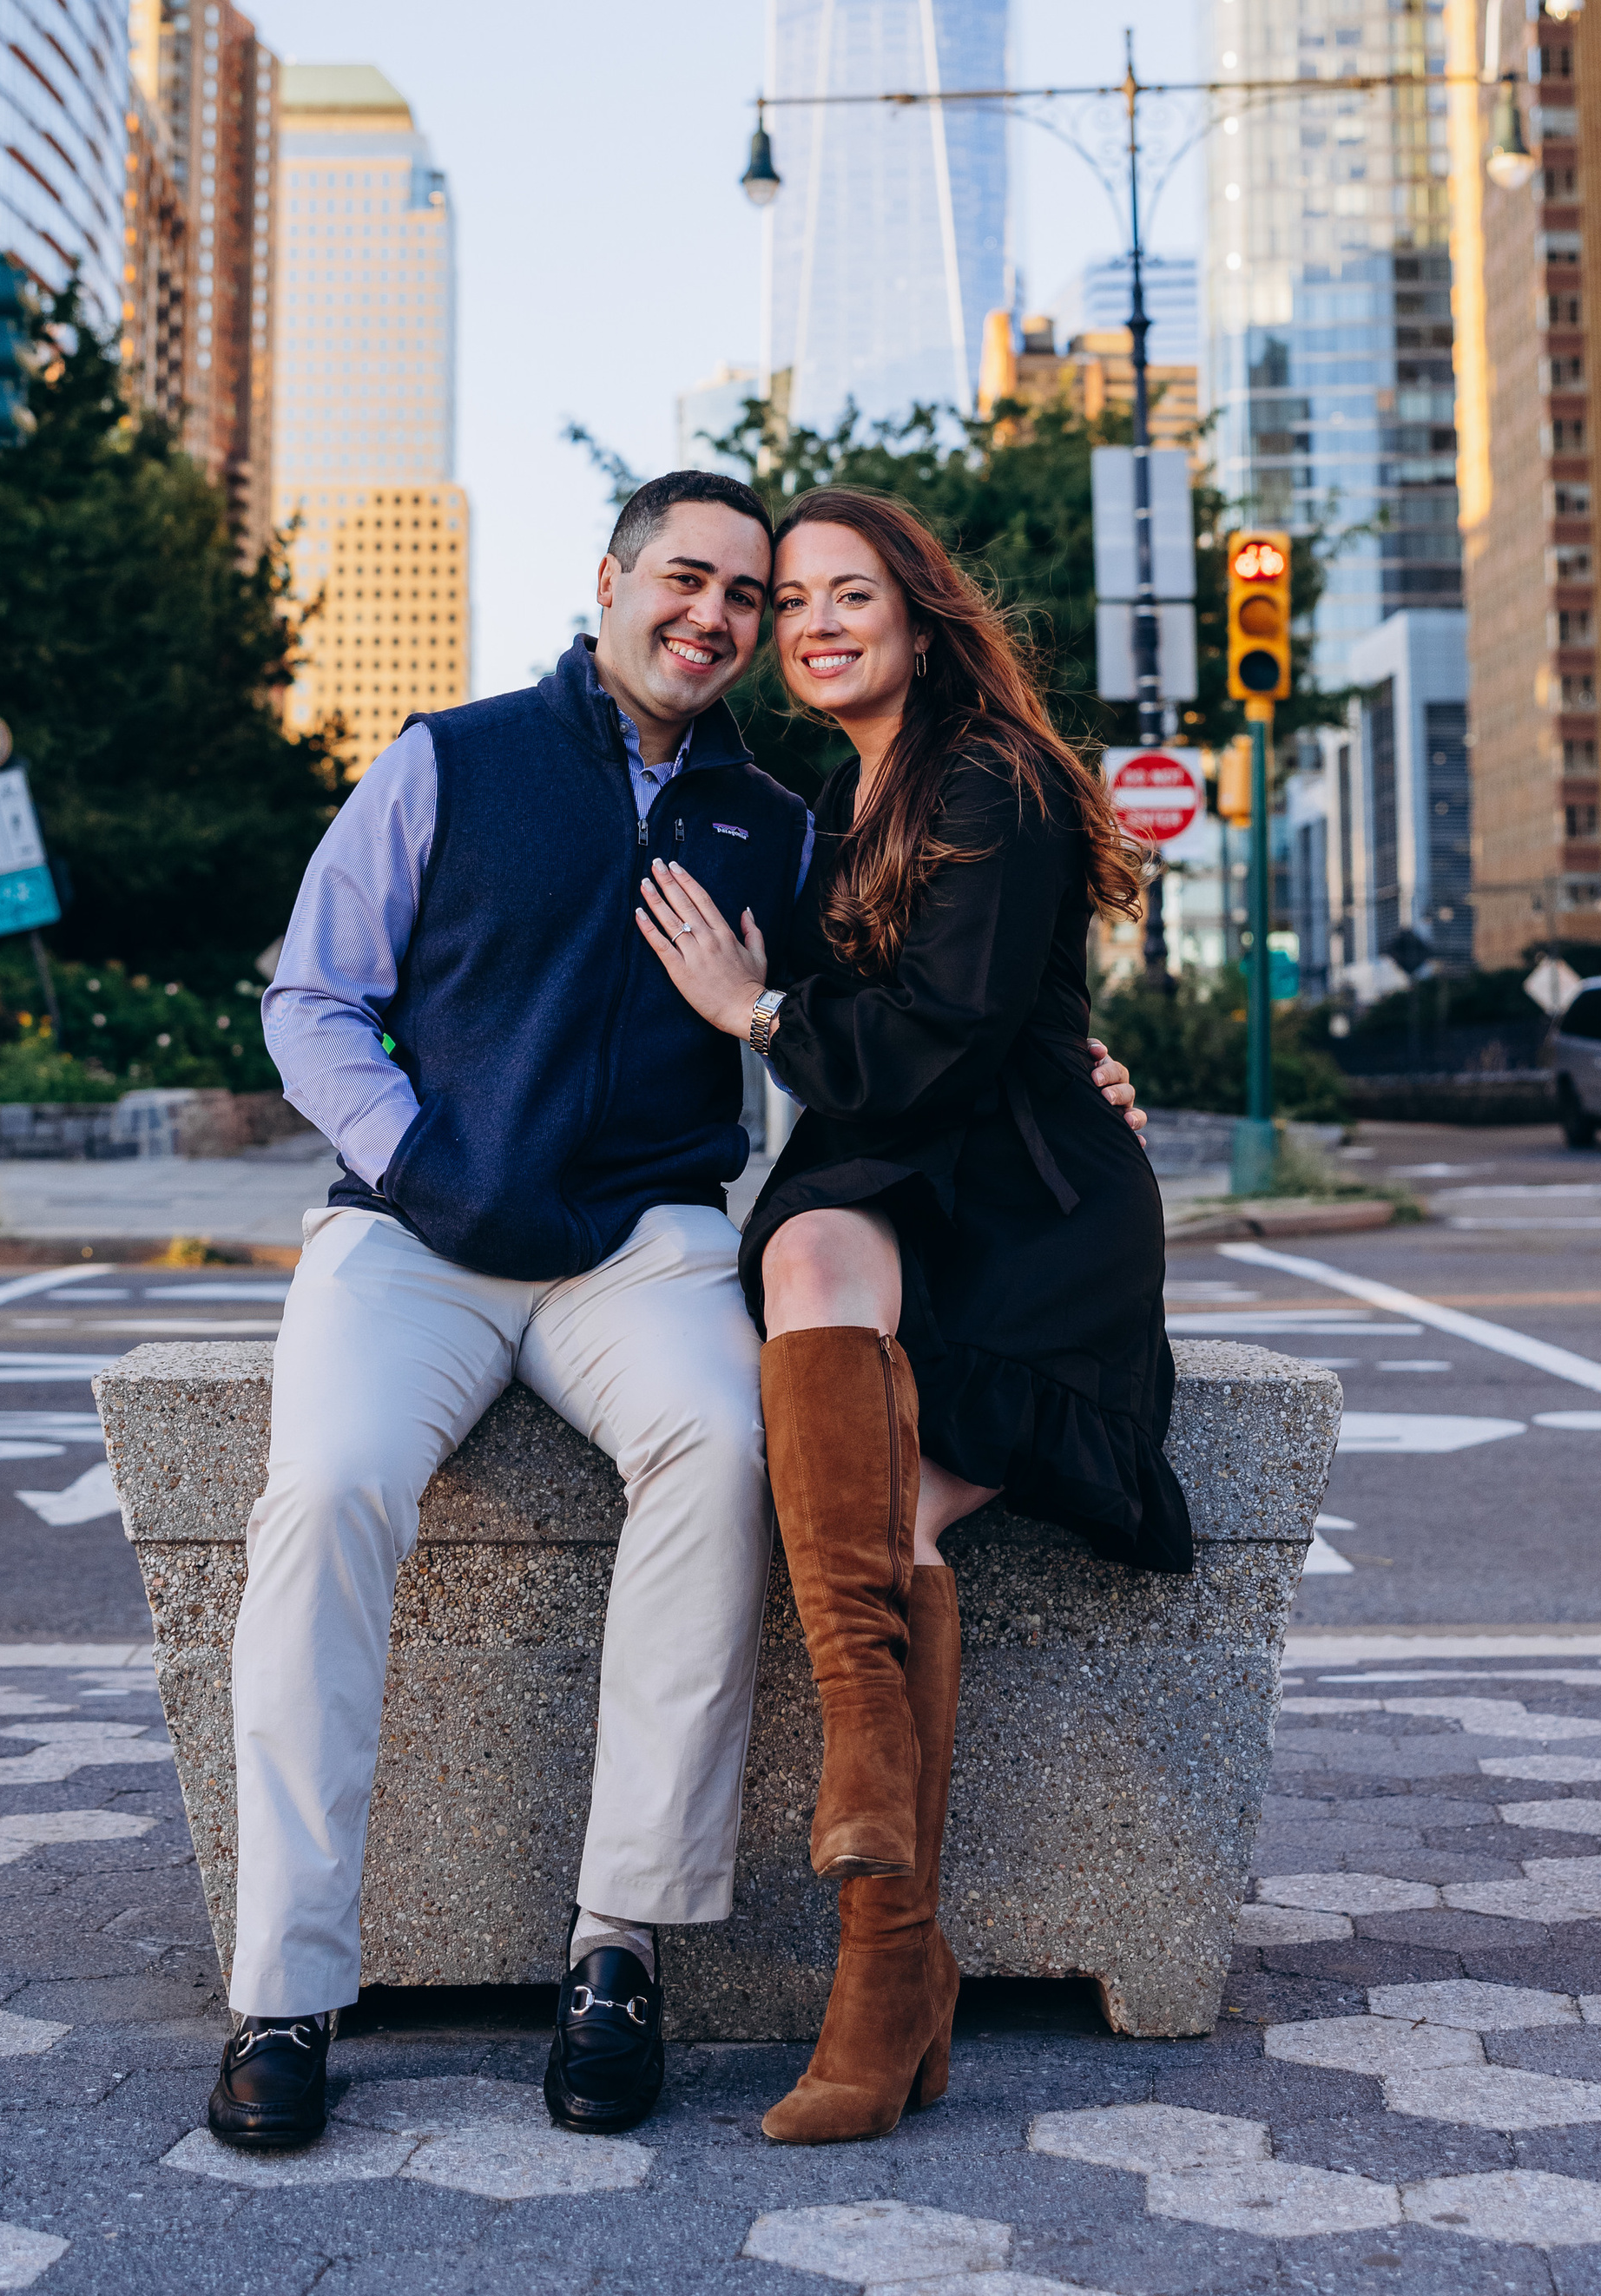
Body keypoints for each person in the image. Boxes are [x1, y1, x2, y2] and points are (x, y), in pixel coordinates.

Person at [208, 470, 1147, 2154]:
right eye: (700, 583)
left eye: (755, 594)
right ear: (611, 582)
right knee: (326, 1487)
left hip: (635, 1244)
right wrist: (418, 1157)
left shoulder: (776, 821)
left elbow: (895, 998)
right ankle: (282, 1986)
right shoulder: (449, 757)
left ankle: (615, 1949)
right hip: (412, 1231)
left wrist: (1060, 1054)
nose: (722, 618)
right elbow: (310, 996)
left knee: (726, 1449)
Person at [637, 484, 1192, 2149]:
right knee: (803, 1258)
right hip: (903, 1183)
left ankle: (884, 1963)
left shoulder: (986, 776)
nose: (810, 623)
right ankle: (897, 1950)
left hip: (1023, 1215)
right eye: (789, 600)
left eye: (845, 594)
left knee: (880, 1521)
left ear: (918, 609)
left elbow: (946, 1035)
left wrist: (758, 1008)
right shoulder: (841, 784)